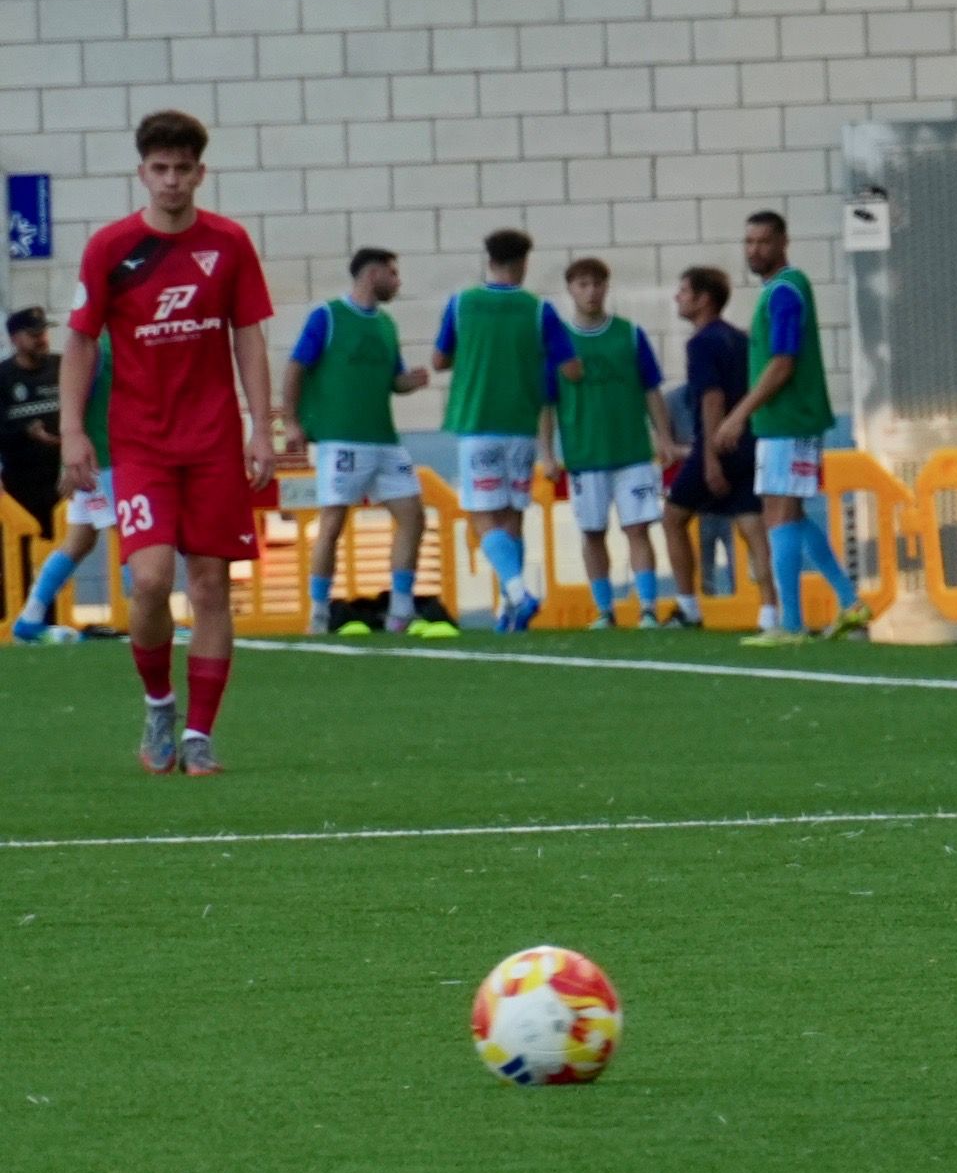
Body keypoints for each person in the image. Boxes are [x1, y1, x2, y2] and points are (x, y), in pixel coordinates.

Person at [59, 111, 275, 774]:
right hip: (143, 443)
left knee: (211, 586)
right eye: (160, 169)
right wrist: (72, 431)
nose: (172, 181)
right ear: (142, 172)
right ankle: (159, 703)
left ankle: (200, 734)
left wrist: (261, 426)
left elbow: (248, 336)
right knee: (149, 582)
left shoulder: (230, 243)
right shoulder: (109, 249)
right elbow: (81, 341)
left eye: (184, 169)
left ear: (200, 173)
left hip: (212, 441)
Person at [715, 211, 868, 646]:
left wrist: (739, 412)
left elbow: (783, 364)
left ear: (784, 241)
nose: (754, 250)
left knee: (778, 514)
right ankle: (849, 601)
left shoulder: (783, 292)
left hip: (787, 421)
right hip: (787, 421)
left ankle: (792, 624)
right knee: (790, 513)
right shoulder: (781, 291)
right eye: (748, 242)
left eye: (763, 241)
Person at [276, 247, 433, 635]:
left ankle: (400, 611)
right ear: (372, 273)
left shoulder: (386, 325)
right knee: (333, 523)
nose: (398, 282)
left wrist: (408, 383)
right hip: (341, 441)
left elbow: (393, 380)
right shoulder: (327, 316)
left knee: (413, 516)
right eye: (393, 274)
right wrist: (291, 422)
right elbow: (296, 367)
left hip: (384, 439)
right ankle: (318, 612)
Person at [432, 228, 576, 633]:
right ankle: (510, 612)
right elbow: (569, 366)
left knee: (481, 513)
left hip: (478, 420)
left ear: (489, 259)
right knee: (511, 514)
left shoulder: (462, 304)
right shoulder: (538, 310)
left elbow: (440, 359)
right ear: (523, 262)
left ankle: (517, 592)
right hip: (522, 423)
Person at [554, 257, 677, 632]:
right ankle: (605, 610)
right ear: (571, 289)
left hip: (632, 452)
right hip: (584, 453)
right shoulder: (558, 342)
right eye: (582, 284)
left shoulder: (629, 334)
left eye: (597, 284)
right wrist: (547, 451)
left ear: (607, 287)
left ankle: (647, 609)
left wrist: (664, 436)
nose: (591, 292)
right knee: (592, 532)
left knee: (638, 528)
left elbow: (651, 388)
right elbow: (546, 401)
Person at [659, 265, 768, 632]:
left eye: (684, 291)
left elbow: (711, 398)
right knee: (751, 523)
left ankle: (688, 606)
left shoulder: (702, 342)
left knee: (673, 517)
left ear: (704, 299)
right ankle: (771, 610)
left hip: (719, 444)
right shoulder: (739, 339)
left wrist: (709, 459)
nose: (678, 297)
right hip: (750, 441)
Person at [12, 328, 111, 642]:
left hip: (93, 457)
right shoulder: (103, 347)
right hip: (105, 459)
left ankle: (29, 618)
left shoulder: (100, 343)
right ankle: (152, 613)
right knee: (140, 539)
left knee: (80, 540)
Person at [3, 306, 59, 534]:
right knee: (18, 558)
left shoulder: (62, 366)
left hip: (60, 480)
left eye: (44, 333)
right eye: (34, 335)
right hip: (18, 486)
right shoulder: (3, 376)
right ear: (15, 339)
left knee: (61, 553)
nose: (42, 339)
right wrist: (26, 432)